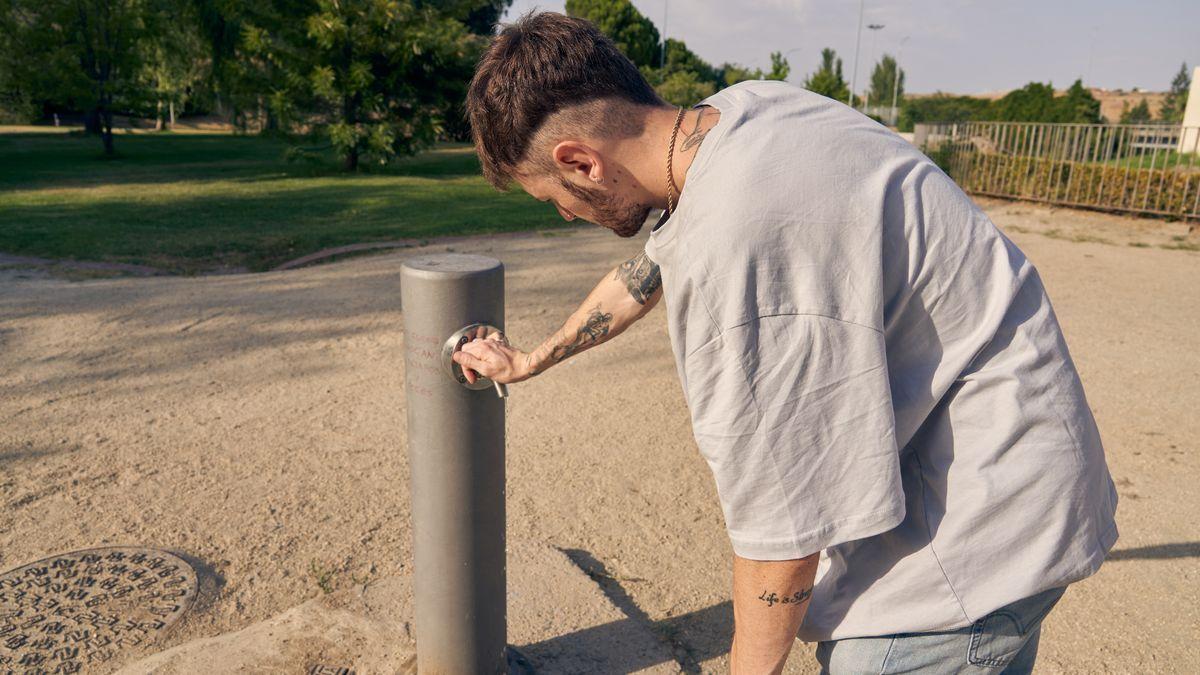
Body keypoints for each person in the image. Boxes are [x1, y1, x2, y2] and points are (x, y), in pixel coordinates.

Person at [453, 12, 1118, 674]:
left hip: (966, 541)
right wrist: (533, 356)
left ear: (581, 162)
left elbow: (785, 531)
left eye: (552, 197)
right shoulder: (745, 114)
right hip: (1029, 473)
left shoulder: (738, 248)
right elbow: (653, 267)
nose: (565, 214)